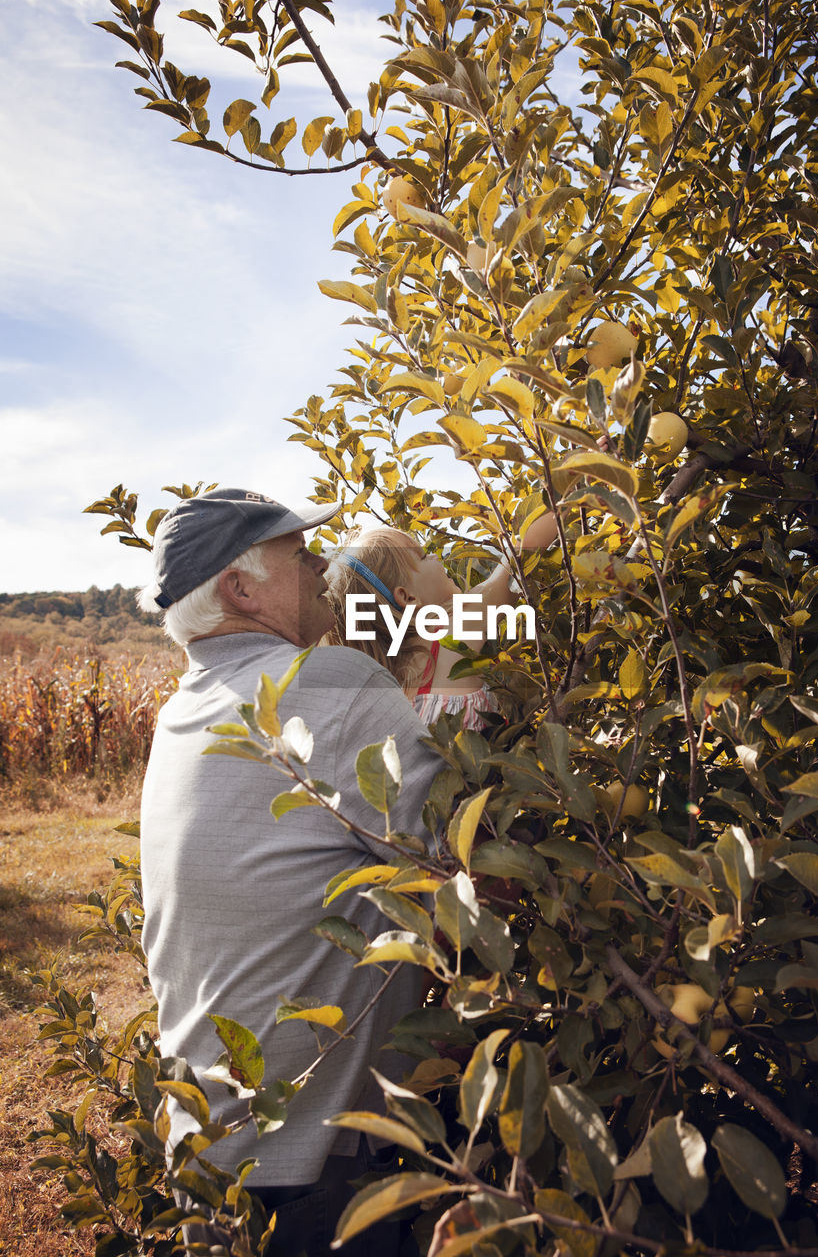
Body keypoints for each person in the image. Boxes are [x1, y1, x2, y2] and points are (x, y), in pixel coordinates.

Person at [136, 487, 446, 1255]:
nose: (319, 566)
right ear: (241, 590)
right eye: (299, 555)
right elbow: (467, 867)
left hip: (210, 1148)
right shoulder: (332, 681)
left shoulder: (183, 708)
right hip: (321, 1164)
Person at [323, 512, 558, 731]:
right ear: (408, 597)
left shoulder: (388, 695)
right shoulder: (453, 632)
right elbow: (518, 558)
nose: (435, 556)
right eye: (423, 556)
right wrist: (567, 496)